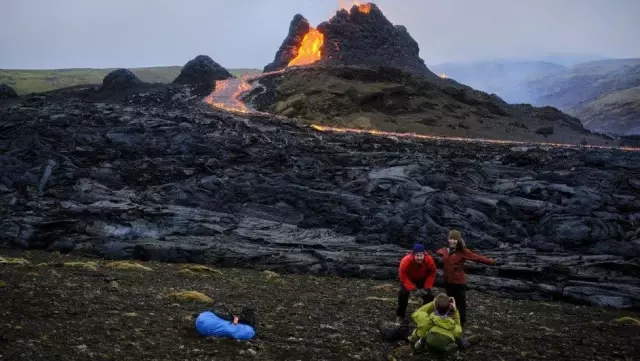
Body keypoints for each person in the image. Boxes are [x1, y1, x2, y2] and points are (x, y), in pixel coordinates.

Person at [378, 293, 477, 354]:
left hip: (420, 340)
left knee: (403, 330)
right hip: (442, 340)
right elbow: (459, 328)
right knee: (458, 338)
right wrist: (455, 311)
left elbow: (417, 313)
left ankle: (384, 329)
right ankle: (470, 341)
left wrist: (432, 303)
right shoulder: (452, 326)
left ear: (435, 306)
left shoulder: (425, 319)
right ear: (449, 309)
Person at [436, 229, 497, 327]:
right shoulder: (444, 250)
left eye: (455, 239)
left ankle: (462, 321)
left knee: (460, 302)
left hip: (459, 282)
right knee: (450, 299)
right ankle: (451, 316)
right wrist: (438, 253)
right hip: (447, 281)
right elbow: (438, 252)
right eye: (451, 239)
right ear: (448, 239)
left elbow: (477, 257)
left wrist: (491, 261)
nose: (452, 241)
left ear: (458, 240)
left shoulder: (463, 251)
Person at [396, 243, 437, 324]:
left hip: (422, 278)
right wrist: (413, 289)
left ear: (424, 254)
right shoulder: (406, 260)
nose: (419, 258)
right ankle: (400, 315)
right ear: (413, 255)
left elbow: (432, 273)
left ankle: (426, 314)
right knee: (402, 293)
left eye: (421, 255)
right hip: (409, 278)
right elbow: (403, 276)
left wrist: (427, 287)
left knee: (429, 295)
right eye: (417, 256)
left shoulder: (429, 260)